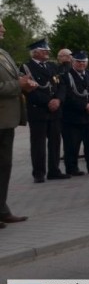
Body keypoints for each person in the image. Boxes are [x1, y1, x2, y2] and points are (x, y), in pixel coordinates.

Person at [0, 17, 36, 228]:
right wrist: (17, 84)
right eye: (0, 25)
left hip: (8, 120)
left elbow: (14, 79)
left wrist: (25, 84)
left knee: (4, 166)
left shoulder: (3, 53)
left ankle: (2, 210)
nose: (4, 28)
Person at [20, 39, 68, 182]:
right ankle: (39, 173)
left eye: (47, 50)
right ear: (35, 52)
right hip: (38, 110)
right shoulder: (26, 68)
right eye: (43, 50)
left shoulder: (52, 66)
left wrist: (58, 99)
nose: (47, 52)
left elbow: (62, 85)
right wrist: (48, 101)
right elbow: (28, 90)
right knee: (38, 144)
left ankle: (54, 170)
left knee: (55, 142)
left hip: (55, 110)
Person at [60, 51, 89, 175]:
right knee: (72, 145)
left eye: (84, 61)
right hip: (73, 117)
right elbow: (67, 96)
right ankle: (72, 168)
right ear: (73, 62)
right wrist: (85, 106)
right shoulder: (65, 76)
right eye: (78, 61)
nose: (81, 64)